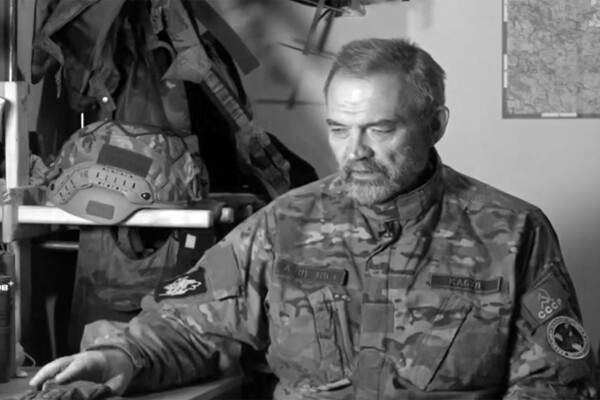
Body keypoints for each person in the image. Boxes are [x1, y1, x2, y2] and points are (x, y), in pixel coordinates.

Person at [29, 38, 597, 399]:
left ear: (435, 125)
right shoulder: (287, 223)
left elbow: (556, 381)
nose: (355, 152)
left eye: (380, 129)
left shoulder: (513, 231)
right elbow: (190, 325)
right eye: (339, 129)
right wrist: (118, 357)